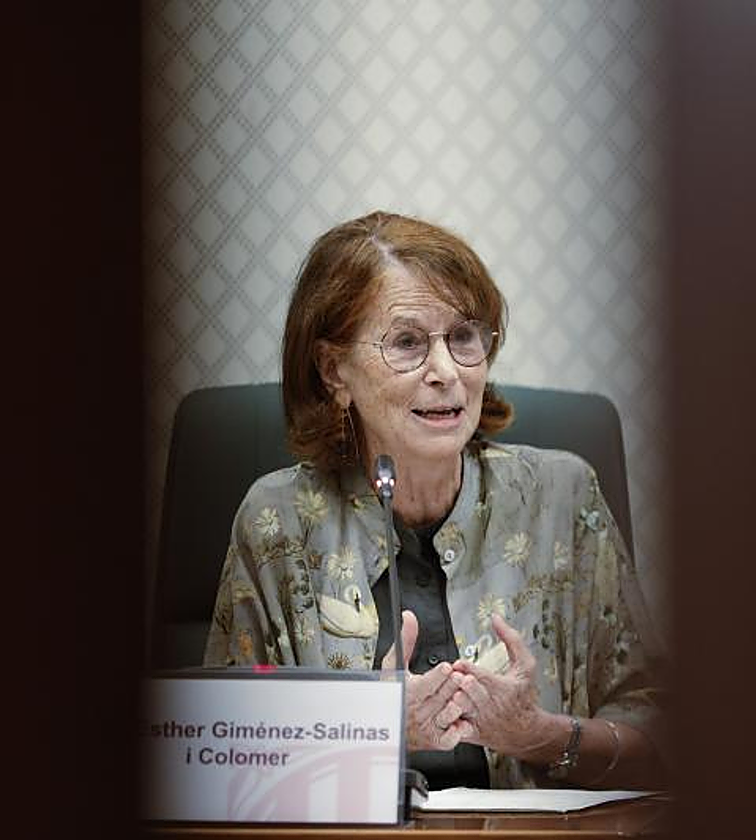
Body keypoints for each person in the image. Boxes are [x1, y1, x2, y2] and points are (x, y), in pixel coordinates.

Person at [203, 210, 666, 790]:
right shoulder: (275, 523)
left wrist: (539, 734)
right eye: (407, 342)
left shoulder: (563, 497)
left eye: (464, 337)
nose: (447, 371)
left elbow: (662, 737)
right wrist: (372, 727)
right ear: (334, 370)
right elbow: (219, 757)